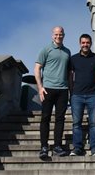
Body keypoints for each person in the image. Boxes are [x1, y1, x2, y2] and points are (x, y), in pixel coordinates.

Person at [34, 26, 71, 159]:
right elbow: (37, 68)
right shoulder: (46, 49)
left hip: (62, 90)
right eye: (56, 34)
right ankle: (44, 147)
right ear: (52, 35)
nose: (58, 36)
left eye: (60, 34)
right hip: (48, 88)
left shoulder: (67, 52)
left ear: (64, 35)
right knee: (45, 117)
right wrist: (40, 87)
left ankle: (57, 146)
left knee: (60, 119)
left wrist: (70, 90)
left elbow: (68, 73)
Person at [68, 34, 95, 156]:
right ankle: (77, 148)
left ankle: (94, 148)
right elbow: (70, 76)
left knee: (93, 123)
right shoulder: (73, 58)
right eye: (83, 42)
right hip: (77, 95)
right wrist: (71, 92)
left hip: (93, 95)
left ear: (90, 43)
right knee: (76, 123)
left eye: (87, 42)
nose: (85, 45)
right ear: (80, 43)